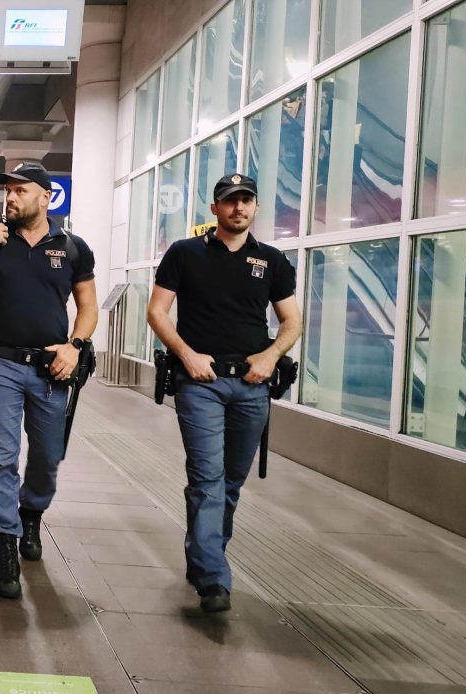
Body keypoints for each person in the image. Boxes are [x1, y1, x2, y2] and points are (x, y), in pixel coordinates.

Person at [146, 173, 301, 613]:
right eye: (229, 201)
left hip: (252, 386)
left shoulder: (271, 261)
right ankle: (214, 577)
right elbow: (157, 312)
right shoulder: (185, 253)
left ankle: (204, 558)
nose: (238, 208)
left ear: (255, 206)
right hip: (201, 384)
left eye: (246, 200)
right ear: (214, 208)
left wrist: (270, 357)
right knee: (208, 478)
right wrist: (187, 354)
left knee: (231, 483)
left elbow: (291, 322)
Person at [0, 161, 98, 600]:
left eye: (19, 191)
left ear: (45, 197)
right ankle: (5, 546)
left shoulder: (72, 248)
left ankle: (31, 512)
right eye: (7, 191)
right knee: (1, 457)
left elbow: (88, 308)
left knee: (47, 458)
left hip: (51, 368)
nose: (10, 198)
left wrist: (74, 346)